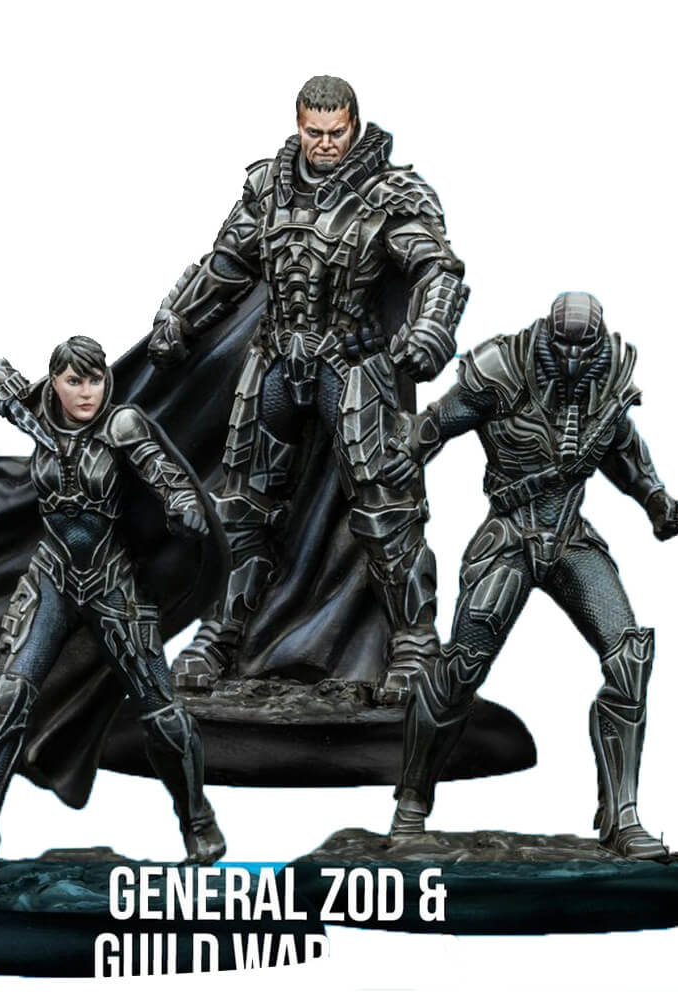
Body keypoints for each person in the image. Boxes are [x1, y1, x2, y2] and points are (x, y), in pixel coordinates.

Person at [148, 75, 469, 703]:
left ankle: (413, 639)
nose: (324, 144)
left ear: (354, 126)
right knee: (241, 505)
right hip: (274, 359)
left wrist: (432, 328)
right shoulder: (268, 187)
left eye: (336, 132)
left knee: (383, 502)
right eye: (314, 132)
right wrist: (178, 316)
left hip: (349, 362)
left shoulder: (386, 192)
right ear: (299, 126)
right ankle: (222, 631)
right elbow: (228, 263)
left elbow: (437, 267)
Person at [384, 292, 678, 859]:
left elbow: (625, 455)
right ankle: (411, 805)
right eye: (562, 347)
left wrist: (656, 501)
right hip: (509, 538)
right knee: (461, 668)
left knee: (629, 657)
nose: (571, 360)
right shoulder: (501, 372)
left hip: (570, 538)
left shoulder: (607, 387)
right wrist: (399, 461)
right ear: (547, 336)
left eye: (583, 349)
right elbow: (434, 426)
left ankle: (622, 817)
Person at [0, 336, 226, 891]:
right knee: (4, 703)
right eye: (74, 380)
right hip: (51, 578)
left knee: (163, 713)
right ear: (54, 383)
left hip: (110, 581)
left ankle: (199, 824)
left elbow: (164, 473)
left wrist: (182, 504)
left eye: (95, 379)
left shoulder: (121, 424)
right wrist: (3, 385)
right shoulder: (38, 415)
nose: (86, 392)